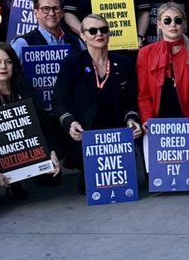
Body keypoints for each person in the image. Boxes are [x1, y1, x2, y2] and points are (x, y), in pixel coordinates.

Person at [0, 42, 61, 201]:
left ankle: (24, 176)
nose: (3, 66)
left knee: (53, 178)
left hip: (26, 149)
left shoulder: (23, 86)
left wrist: (51, 152)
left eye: (8, 61)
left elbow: (44, 122)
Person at [51, 15, 142, 173]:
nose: (99, 34)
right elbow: (59, 102)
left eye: (103, 30)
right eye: (92, 31)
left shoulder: (125, 63)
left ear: (109, 33)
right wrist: (71, 123)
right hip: (85, 135)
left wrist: (131, 119)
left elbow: (131, 100)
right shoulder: (71, 63)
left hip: (116, 136)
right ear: (83, 36)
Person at [136, 2, 189, 130]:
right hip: (157, 125)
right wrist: (147, 119)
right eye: (167, 21)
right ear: (159, 24)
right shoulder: (145, 53)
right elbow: (143, 94)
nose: (173, 24)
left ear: (184, 23)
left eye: (178, 20)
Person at [11, 0, 82, 55]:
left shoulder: (76, 42)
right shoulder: (23, 44)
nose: (51, 13)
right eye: (46, 9)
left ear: (62, 12)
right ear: (36, 13)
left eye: (56, 8)